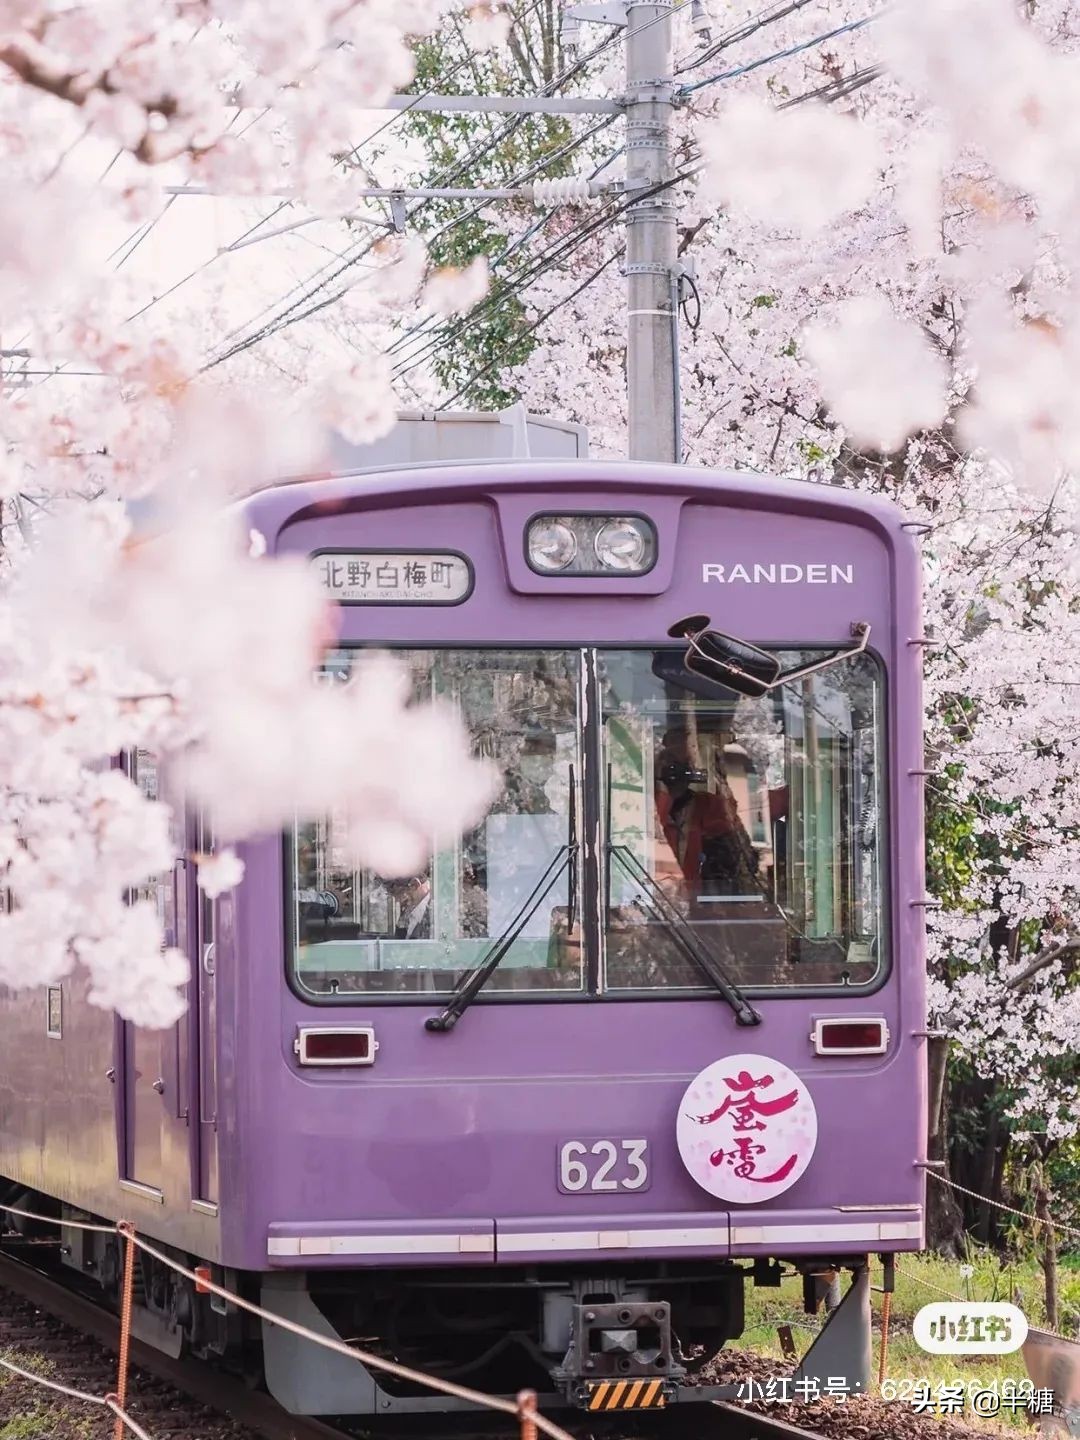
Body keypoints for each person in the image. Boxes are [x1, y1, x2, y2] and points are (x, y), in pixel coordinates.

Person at [653, 730, 760, 903]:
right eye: (667, 766)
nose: (674, 773)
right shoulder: (647, 809)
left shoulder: (709, 808)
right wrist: (662, 796)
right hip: (661, 905)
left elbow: (736, 858)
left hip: (703, 910)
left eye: (681, 765)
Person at [387, 873, 432, 939]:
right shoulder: (409, 910)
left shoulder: (434, 910)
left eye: (400, 893)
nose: (398, 901)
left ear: (416, 884)